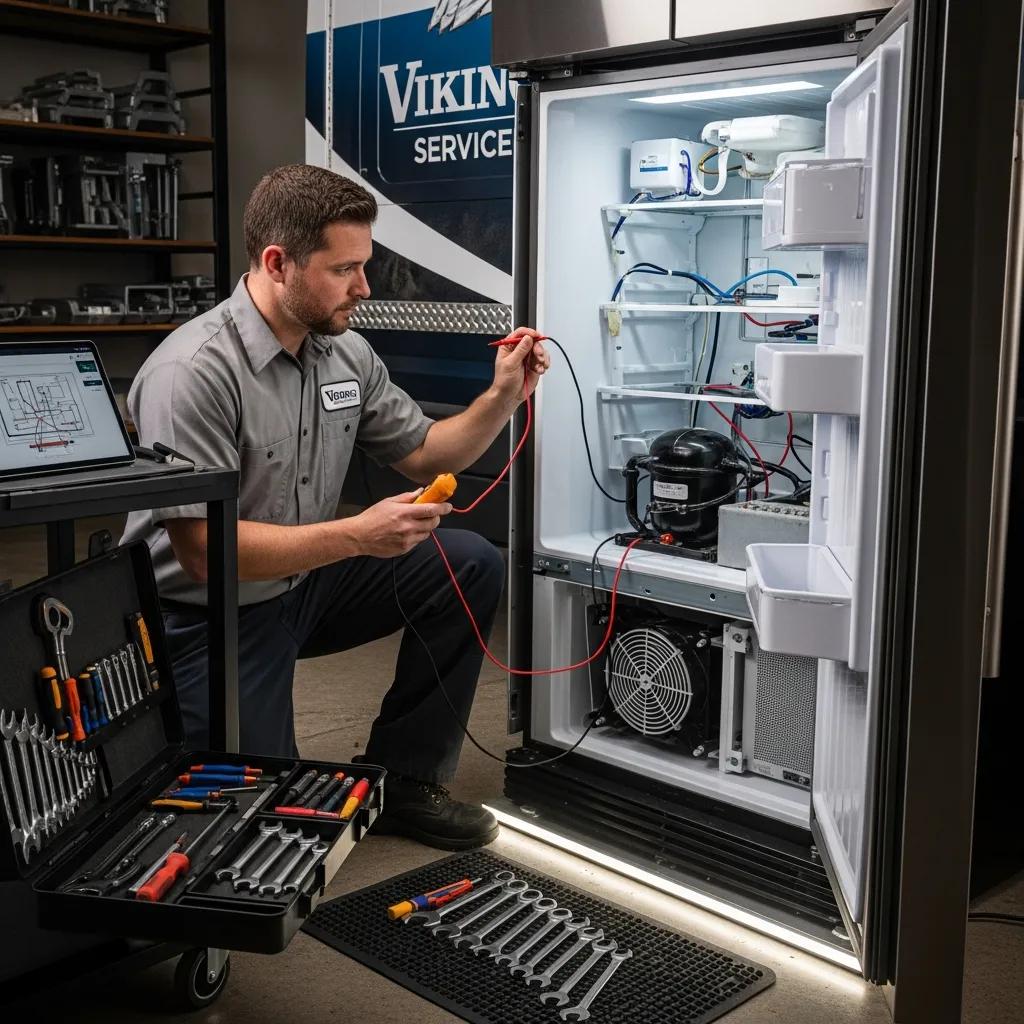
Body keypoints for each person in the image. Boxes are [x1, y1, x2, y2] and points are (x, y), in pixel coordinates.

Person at [121, 163, 548, 850]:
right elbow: (202, 553)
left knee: (469, 563)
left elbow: (426, 454)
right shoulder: (193, 371)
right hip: (207, 613)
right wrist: (357, 535)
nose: (364, 287)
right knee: (258, 828)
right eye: (345, 269)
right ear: (277, 264)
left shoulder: (345, 353)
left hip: (308, 583)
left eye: (364, 265)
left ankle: (406, 778)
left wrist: (503, 396)